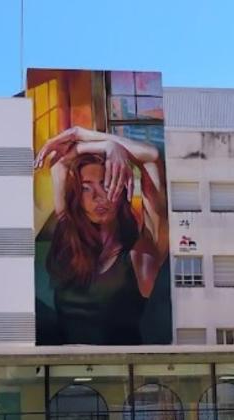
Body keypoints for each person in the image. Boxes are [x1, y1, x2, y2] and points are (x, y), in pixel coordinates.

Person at [34, 127, 168, 344]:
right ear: (78, 197)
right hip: (65, 364)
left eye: (106, 183)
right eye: (86, 188)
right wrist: (106, 146)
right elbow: (60, 163)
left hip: (121, 364)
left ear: (121, 189)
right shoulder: (69, 237)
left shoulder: (140, 256)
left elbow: (151, 156)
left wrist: (86, 137)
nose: (98, 196)